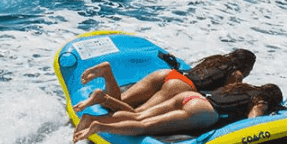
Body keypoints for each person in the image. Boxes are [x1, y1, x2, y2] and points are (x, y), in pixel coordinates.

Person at [72, 81, 284, 143]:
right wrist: (268, 115)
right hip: (204, 111)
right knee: (145, 127)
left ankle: (95, 117)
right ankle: (100, 126)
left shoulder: (242, 88)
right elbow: (253, 122)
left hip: (192, 97)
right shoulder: (261, 100)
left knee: (138, 115)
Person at [74, 49, 256, 115]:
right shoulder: (237, 73)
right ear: (246, 65)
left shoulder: (217, 59)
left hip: (166, 74)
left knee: (119, 102)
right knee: (135, 114)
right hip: (181, 86)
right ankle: (101, 96)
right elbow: (227, 94)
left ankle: (107, 72)